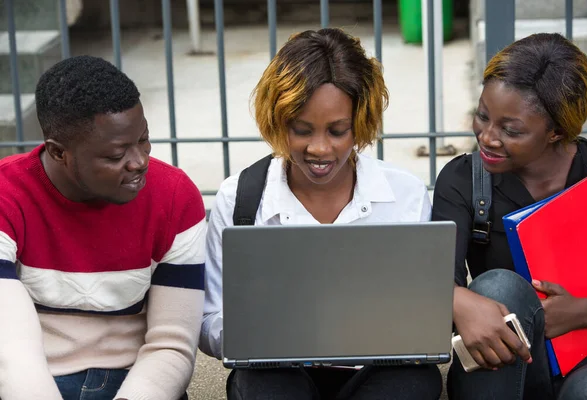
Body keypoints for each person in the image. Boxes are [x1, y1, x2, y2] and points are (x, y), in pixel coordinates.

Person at [200, 28, 442, 400]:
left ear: (360, 122)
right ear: (279, 121)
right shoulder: (241, 199)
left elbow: (423, 312)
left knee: (416, 383)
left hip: (377, 374)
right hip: (277, 372)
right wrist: (257, 331)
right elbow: (208, 320)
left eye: (337, 130)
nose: (319, 148)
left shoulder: (404, 195)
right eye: (302, 130)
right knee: (259, 386)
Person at [0, 56, 206, 400]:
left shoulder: (175, 197)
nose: (139, 161)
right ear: (59, 152)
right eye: (115, 155)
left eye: (143, 139)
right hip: (30, 378)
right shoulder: (7, 195)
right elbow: (11, 353)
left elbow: (172, 344)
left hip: (135, 380)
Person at [432, 33, 587, 399]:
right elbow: (432, 284)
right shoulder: (464, 181)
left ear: (557, 130)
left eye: (511, 130)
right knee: (498, 287)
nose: (487, 137)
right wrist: (457, 299)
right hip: (502, 366)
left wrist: (585, 312)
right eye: (482, 116)